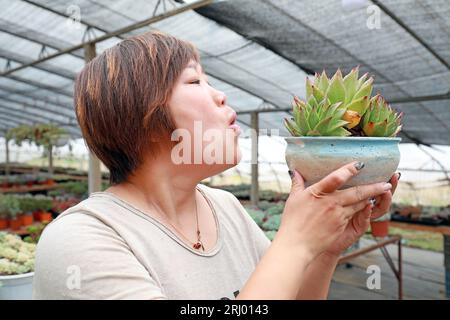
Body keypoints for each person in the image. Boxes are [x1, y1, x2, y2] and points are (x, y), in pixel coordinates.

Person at [32, 31, 399, 300]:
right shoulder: (81, 239)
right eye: (194, 80)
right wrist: (296, 243)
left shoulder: (224, 208)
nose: (220, 95)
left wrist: (324, 250)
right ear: (142, 118)